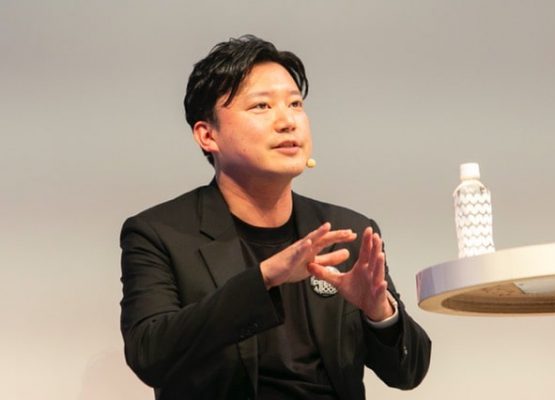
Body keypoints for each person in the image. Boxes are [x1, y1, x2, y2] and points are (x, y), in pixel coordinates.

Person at [120, 35, 431, 400]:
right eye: (261, 106)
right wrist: (265, 278)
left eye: (295, 104)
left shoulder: (347, 231)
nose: (287, 121)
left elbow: (408, 372)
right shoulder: (159, 234)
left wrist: (379, 311)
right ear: (207, 135)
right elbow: (149, 354)